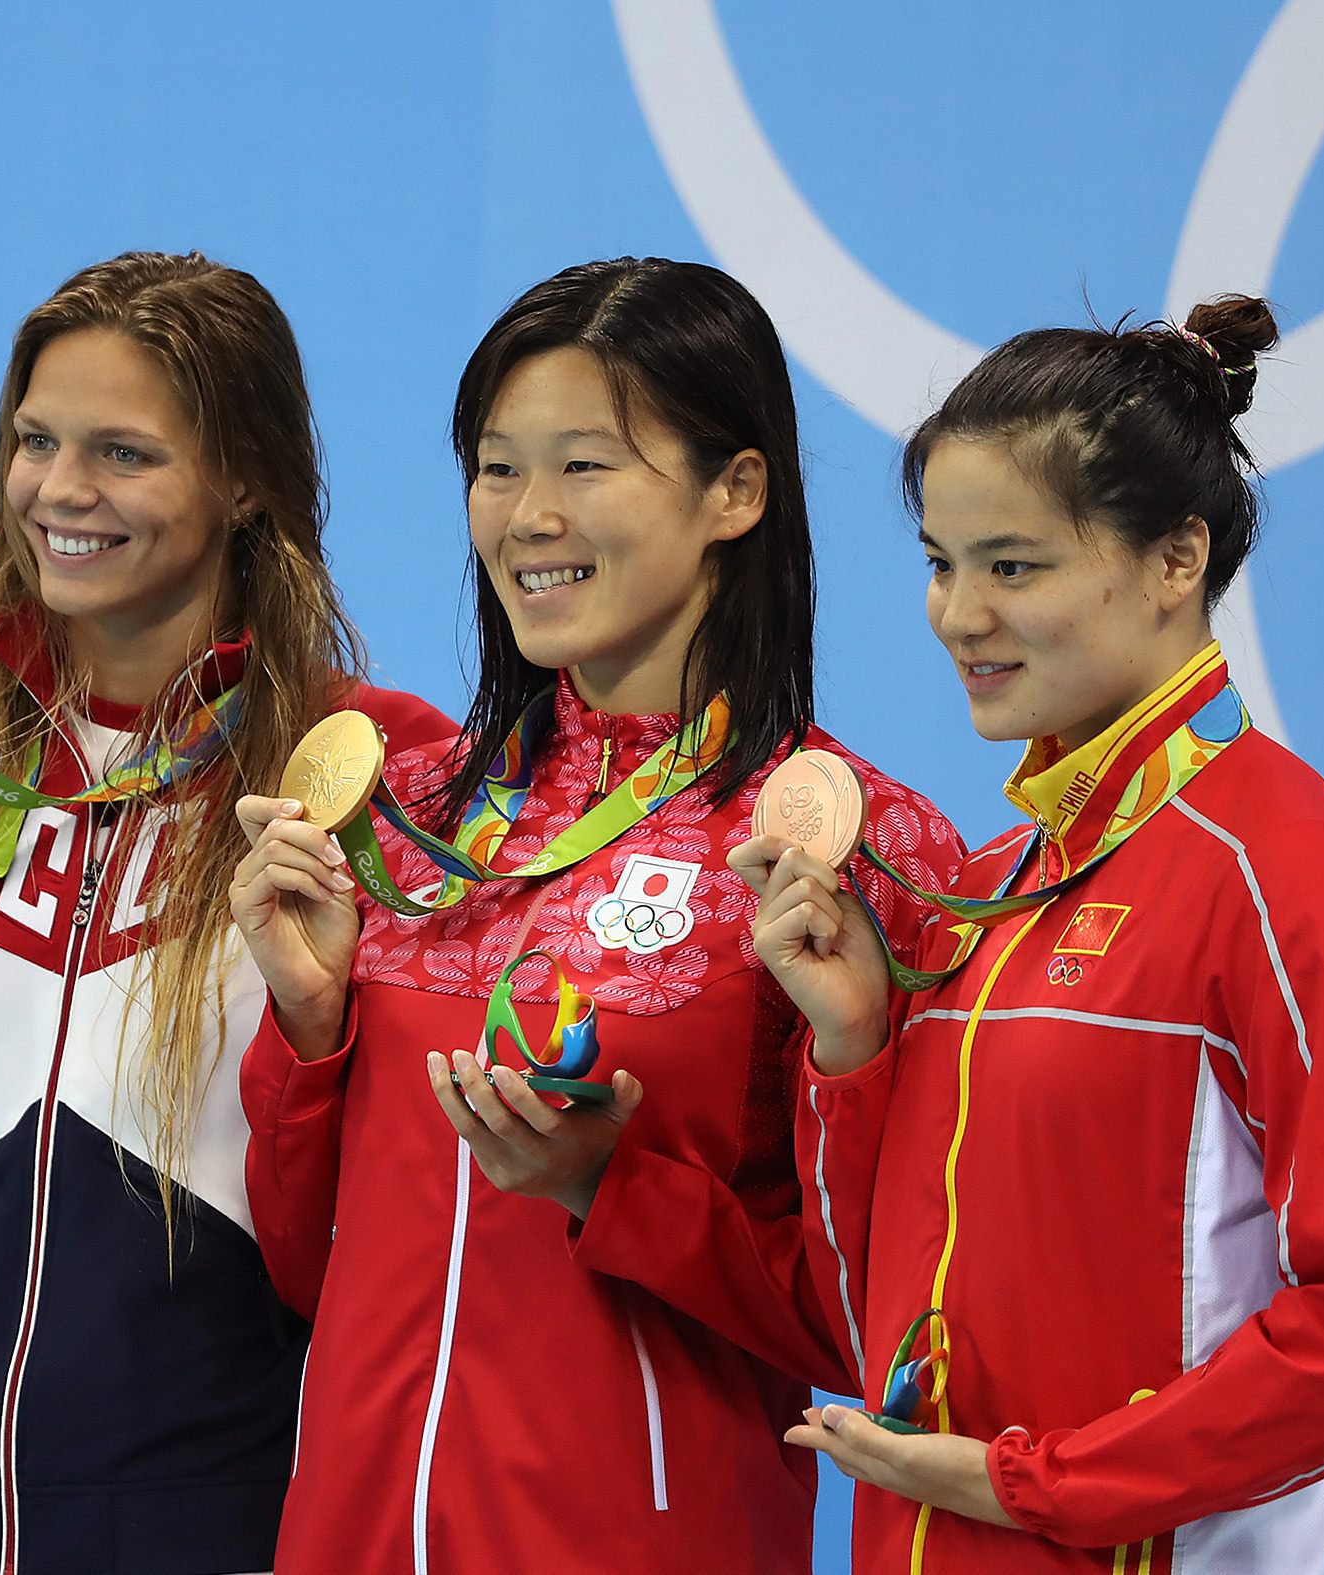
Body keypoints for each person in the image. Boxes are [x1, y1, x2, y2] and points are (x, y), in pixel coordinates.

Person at [227, 257, 964, 1573]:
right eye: (497, 466)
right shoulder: (407, 818)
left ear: (734, 491)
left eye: (583, 465)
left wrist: (607, 1189)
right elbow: (297, 1261)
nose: (525, 515)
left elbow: (880, 1321)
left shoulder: (845, 847)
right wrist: (310, 1023)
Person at [0, 251, 453, 1575]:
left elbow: (394, 1245)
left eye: (125, 452)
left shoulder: (366, 771)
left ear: (245, 478)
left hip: (221, 1528)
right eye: (34, 439)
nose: (61, 491)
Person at [752, 297, 1324, 1571]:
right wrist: (856, 1052)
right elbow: (877, 1320)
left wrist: (1044, 1483)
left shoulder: (1296, 880)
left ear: (1175, 560)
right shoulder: (996, 886)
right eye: (938, 561)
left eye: (1011, 565)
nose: (956, 614)